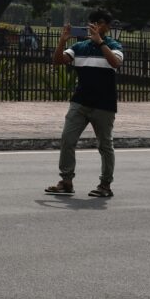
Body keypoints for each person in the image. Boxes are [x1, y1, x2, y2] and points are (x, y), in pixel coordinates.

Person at [45, 10, 124, 198]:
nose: (95, 25)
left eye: (100, 22)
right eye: (92, 22)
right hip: (80, 102)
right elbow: (57, 61)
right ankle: (66, 181)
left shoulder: (114, 45)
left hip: (104, 104)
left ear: (107, 27)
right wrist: (62, 41)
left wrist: (100, 42)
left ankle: (105, 185)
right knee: (67, 139)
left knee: (105, 145)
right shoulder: (79, 47)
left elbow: (115, 63)